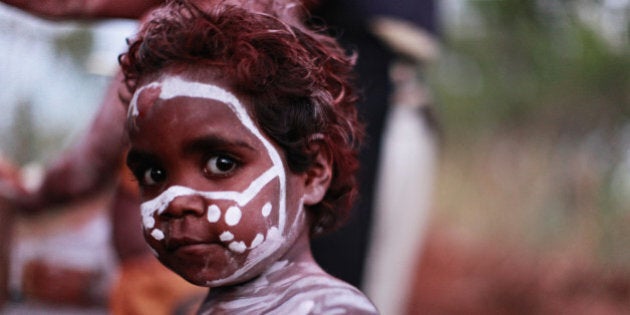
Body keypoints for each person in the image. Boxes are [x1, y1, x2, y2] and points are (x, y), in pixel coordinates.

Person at [117, 0, 378, 313]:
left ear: (312, 173)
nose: (176, 200)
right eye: (154, 174)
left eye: (221, 164)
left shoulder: (329, 309)